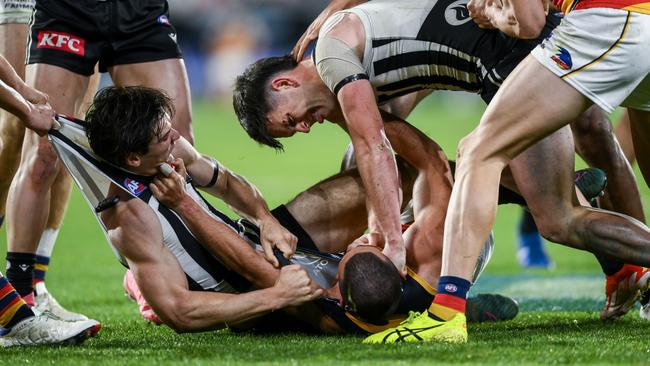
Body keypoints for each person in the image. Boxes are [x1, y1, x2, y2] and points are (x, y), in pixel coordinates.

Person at [233, 0, 649, 325]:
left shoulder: (331, 52)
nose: (305, 128)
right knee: (561, 206)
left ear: (284, 82)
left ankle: (446, 299)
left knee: (545, 201)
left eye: (293, 120)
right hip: (517, 55)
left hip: (517, 57)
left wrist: (391, 241)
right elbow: (403, 149)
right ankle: (621, 265)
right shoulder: (351, 68)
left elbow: (374, 145)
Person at [365, 0, 650, 343]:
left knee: (479, 151)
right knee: (576, 177)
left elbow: (529, 23)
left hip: (609, 24)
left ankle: (446, 313)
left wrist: (490, 14)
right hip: (635, 20)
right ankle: (635, 274)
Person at [4, 0, 194, 329]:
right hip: (67, 9)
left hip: (138, 11)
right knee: (44, 151)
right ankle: (20, 293)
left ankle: (161, 272)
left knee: (175, 144)